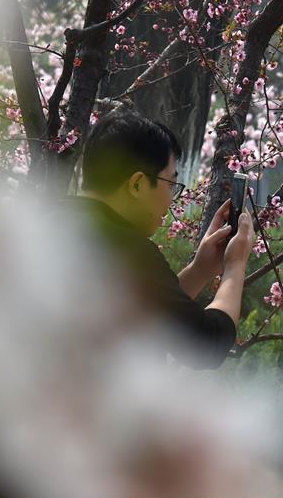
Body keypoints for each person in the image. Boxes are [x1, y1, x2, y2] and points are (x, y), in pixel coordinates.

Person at [53, 110, 255, 369]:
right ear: (137, 184)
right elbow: (207, 343)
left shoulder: (49, 220)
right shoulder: (128, 250)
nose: (171, 199)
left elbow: (148, 312)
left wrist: (200, 269)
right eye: (170, 184)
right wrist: (235, 267)